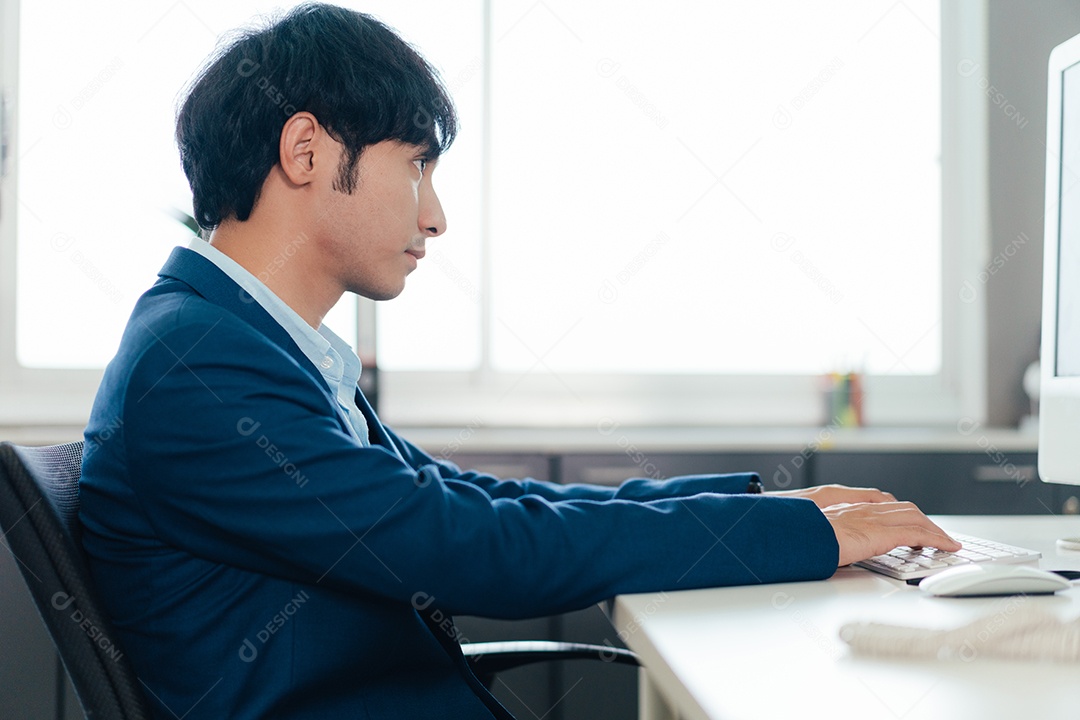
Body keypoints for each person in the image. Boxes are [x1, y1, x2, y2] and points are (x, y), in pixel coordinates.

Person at [79, 4, 960, 719]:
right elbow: (467, 549)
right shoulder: (197, 364)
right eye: (417, 166)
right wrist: (796, 536)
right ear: (305, 150)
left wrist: (756, 508)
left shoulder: (243, 339)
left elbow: (477, 504)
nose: (435, 217)